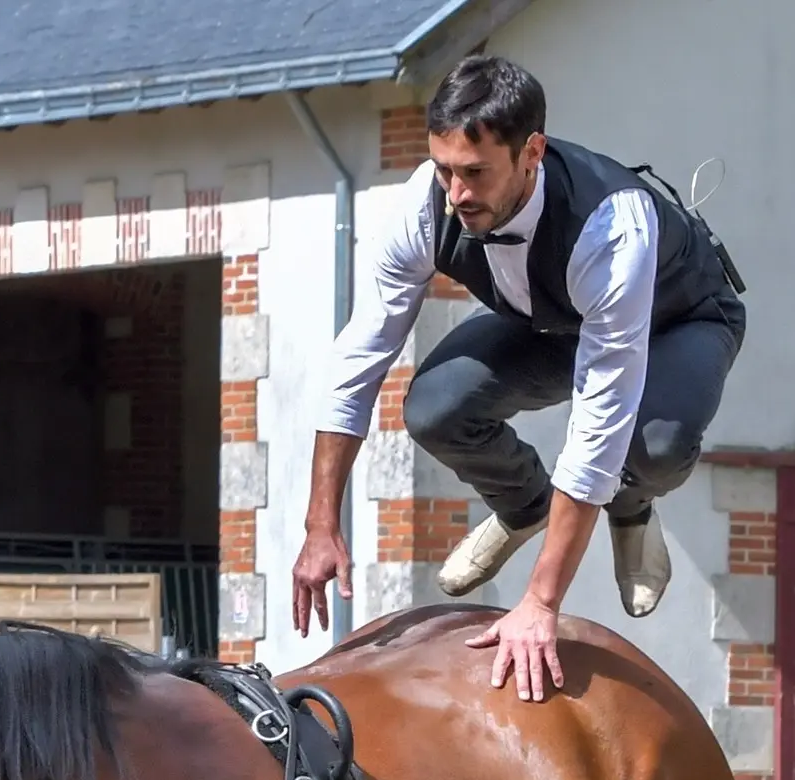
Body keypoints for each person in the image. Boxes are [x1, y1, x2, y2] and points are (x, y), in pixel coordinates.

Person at [290, 53, 746, 701]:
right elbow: (359, 356)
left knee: (654, 445)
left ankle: (633, 506)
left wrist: (539, 601)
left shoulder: (609, 226)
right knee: (435, 408)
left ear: (531, 152)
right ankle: (522, 505)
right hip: (552, 324)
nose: (458, 194)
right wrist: (320, 524)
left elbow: (598, 424)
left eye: (475, 174)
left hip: (678, 322)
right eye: (446, 170)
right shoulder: (428, 203)